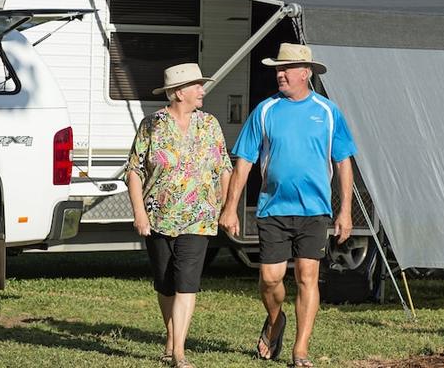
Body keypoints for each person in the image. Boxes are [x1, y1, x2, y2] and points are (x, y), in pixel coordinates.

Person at [219, 43, 357, 368]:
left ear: (305, 73)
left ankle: (301, 350)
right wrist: (229, 207)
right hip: (273, 209)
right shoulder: (265, 111)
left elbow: (343, 163)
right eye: (278, 69)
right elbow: (244, 163)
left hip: (314, 210)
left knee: (308, 277)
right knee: (270, 278)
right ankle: (275, 319)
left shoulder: (327, 112)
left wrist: (346, 210)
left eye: (286, 69)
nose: (279, 74)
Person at [125, 62, 233, 368]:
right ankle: (172, 339)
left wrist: (226, 206)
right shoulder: (152, 124)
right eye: (196, 86)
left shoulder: (209, 124)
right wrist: (139, 213)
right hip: (158, 216)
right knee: (166, 284)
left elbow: (224, 167)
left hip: (199, 217)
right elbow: (133, 171)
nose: (202, 90)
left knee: (187, 282)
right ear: (177, 92)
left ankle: (180, 353)